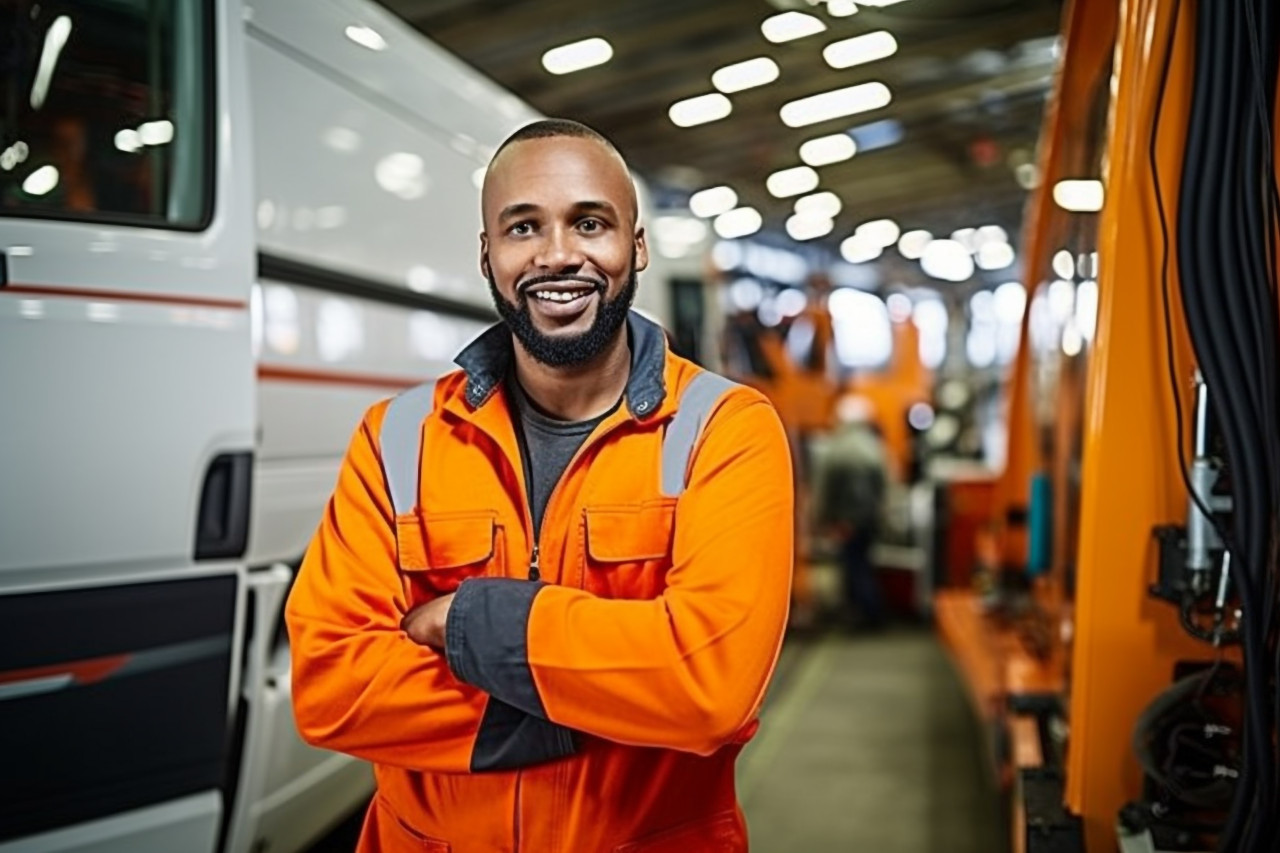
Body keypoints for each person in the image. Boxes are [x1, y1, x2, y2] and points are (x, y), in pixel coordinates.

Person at [285, 118, 794, 853]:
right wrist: (598, 698)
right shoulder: (396, 438)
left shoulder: (724, 429)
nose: (559, 255)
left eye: (590, 222)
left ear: (637, 245)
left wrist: (468, 624)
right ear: (488, 254)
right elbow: (332, 682)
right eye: (524, 227)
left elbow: (707, 685)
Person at [813, 395, 889, 629]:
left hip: (848, 520)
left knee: (854, 567)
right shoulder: (873, 446)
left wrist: (822, 520)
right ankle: (869, 612)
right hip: (869, 518)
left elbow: (825, 488)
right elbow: (885, 484)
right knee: (863, 564)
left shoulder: (837, 448)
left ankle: (867, 614)